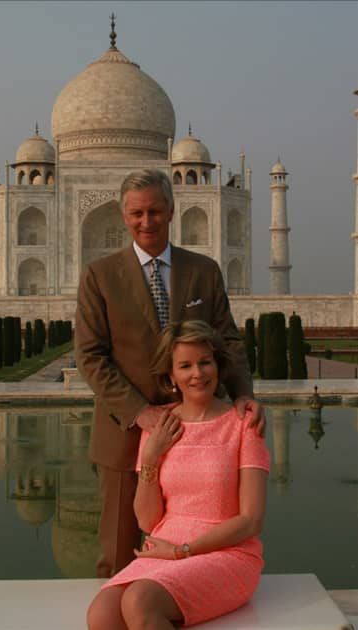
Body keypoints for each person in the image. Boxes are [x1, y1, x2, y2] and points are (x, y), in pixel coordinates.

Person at [75, 168, 264, 578]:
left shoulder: (203, 270)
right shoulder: (100, 276)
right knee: (119, 554)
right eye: (137, 213)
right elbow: (90, 356)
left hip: (198, 434)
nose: (147, 222)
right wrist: (140, 412)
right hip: (126, 435)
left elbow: (228, 341)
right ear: (123, 215)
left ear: (172, 210)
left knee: (199, 547)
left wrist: (243, 393)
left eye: (155, 212)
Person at [87, 320, 270, 629]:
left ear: (218, 366)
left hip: (226, 552)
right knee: (101, 617)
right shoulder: (160, 426)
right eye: (185, 366)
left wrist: (182, 551)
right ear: (171, 376)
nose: (197, 373)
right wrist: (150, 457)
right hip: (165, 548)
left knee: (139, 601)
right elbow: (147, 522)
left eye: (205, 362)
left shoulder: (242, 423)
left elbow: (251, 520)